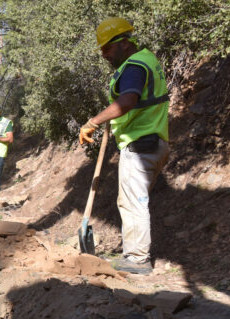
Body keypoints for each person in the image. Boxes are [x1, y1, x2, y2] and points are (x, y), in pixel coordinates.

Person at [79, 17, 170, 275]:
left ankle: (138, 259)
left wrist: (93, 122)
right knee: (131, 200)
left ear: (124, 43)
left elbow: (128, 100)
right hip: (151, 141)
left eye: (107, 48)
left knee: (133, 202)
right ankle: (135, 254)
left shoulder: (134, 66)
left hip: (142, 144)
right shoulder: (143, 61)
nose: (104, 54)